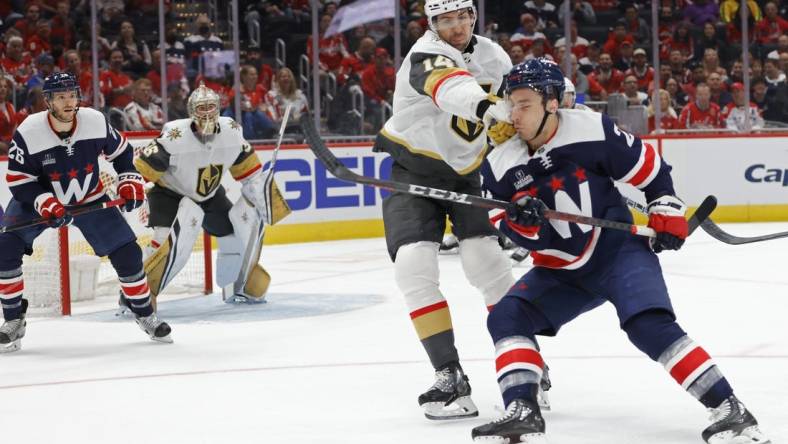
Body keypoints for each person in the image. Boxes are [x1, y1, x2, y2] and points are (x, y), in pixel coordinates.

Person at [471, 58, 770, 444]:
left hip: (618, 253)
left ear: (551, 104)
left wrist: (665, 209)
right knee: (507, 316)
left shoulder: (590, 130)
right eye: (512, 104)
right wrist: (525, 224)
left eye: (525, 104)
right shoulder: (498, 165)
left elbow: (651, 173)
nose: (514, 114)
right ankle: (523, 412)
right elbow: (510, 231)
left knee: (647, 324)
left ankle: (732, 410)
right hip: (562, 269)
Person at [372, 0, 515, 420]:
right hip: (414, 169)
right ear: (432, 23)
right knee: (413, 266)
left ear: (473, 16)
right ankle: (448, 375)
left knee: (487, 263)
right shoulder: (424, 53)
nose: (455, 26)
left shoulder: (494, 55)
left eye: (461, 17)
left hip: (466, 174)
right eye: (445, 20)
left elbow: (520, 104)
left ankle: (526, 361)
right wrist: (490, 109)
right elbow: (449, 85)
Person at [0, 73, 172, 352]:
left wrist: (128, 179)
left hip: (89, 198)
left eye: (72, 95)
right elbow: (19, 180)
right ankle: (13, 320)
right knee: (6, 246)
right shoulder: (30, 130)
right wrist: (45, 202)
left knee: (127, 253)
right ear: (48, 101)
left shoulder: (94, 120)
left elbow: (122, 153)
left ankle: (145, 315)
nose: (69, 102)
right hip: (41, 202)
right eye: (61, 97)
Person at [133, 82, 290, 306]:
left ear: (218, 108)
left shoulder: (232, 132)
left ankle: (238, 286)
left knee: (234, 234)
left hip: (210, 195)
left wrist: (263, 195)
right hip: (169, 194)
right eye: (201, 108)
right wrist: (130, 189)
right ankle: (136, 294)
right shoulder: (174, 136)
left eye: (210, 107)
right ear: (191, 111)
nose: (206, 113)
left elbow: (250, 173)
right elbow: (142, 170)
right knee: (164, 241)